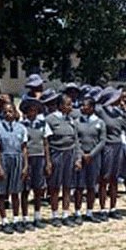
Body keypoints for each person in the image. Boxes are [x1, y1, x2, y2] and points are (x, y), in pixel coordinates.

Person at [45, 95, 81, 227]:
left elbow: (76, 140)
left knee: (67, 186)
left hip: (69, 154)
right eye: (68, 104)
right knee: (55, 187)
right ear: (60, 106)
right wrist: (48, 162)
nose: (71, 107)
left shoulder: (71, 120)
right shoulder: (50, 120)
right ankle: (55, 215)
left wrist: (78, 158)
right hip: (56, 154)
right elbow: (46, 142)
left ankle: (65, 214)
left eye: (71, 104)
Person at [0, 103, 29, 231]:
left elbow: (24, 148)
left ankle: (15, 220)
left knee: (15, 192)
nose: (8, 114)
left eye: (10, 111)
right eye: (5, 112)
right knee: (2, 193)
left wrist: (25, 165)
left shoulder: (22, 128)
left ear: (15, 113)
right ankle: (4, 221)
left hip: (17, 159)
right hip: (4, 158)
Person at [96, 88, 126, 219]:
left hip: (118, 145)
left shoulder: (118, 112)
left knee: (115, 179)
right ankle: (103, 208)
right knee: (104, 178)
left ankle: (113, 208)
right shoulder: (101, 111)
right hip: (107, 146)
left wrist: (124, 112)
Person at [20, 97, 50, 229]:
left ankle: (37, 217)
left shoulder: (43, 124)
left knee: (38, 189)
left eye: (35, 110)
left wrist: (48, 162)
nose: (32, 113)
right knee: (25, 189)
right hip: (27, 158)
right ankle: (25, 218)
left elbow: (46, 143)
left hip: (40, 157)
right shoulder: (22, 125)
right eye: (30, 110)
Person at [74, 98, 105, 224]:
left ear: (92, 108)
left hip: (94, 158)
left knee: (91, 186)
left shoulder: (100, 122)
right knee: (79, 186)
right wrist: (82, 154)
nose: (82, 108)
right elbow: (75, 139)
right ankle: (77, 212)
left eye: (85, 105)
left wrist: (91, 155)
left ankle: (89, 212)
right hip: (81, 157)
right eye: (81, 105)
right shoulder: (77, 122)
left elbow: (102, 141)